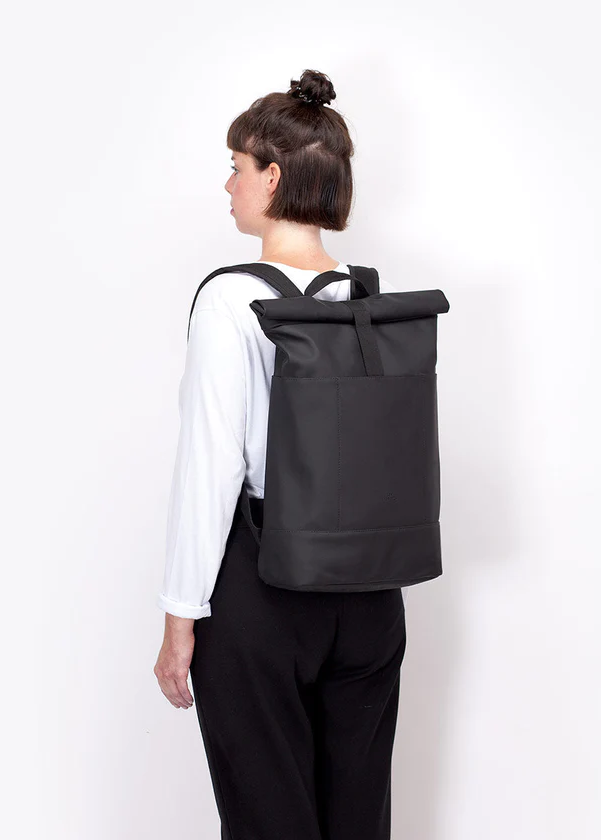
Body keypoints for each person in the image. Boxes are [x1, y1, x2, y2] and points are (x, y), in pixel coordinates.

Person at [154, 69, 408, 840]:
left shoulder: (232, 298)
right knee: (356, 823)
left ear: (272, 176)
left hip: (265, 596)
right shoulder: (370, 293)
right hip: (371, 596)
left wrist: (180, 616)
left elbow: (213, 464)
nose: (227, 184)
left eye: (236, 166)